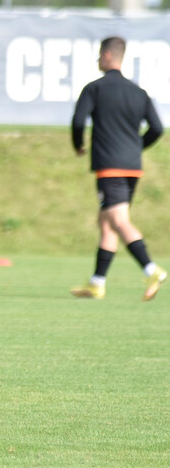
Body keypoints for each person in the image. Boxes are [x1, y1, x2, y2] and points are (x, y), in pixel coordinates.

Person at [70, 36, 166, 300]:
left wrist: (78, 145)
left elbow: (79, 121)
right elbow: (157, 128)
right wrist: (137, 147)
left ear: (108, 56)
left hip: (109, 166)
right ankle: (97, 283)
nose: (98, 59)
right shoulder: (139, 92)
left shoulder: (95, 89)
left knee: (118, 221)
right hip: (132, 168)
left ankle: (151, 269)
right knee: (107, 223)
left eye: (100, 55)